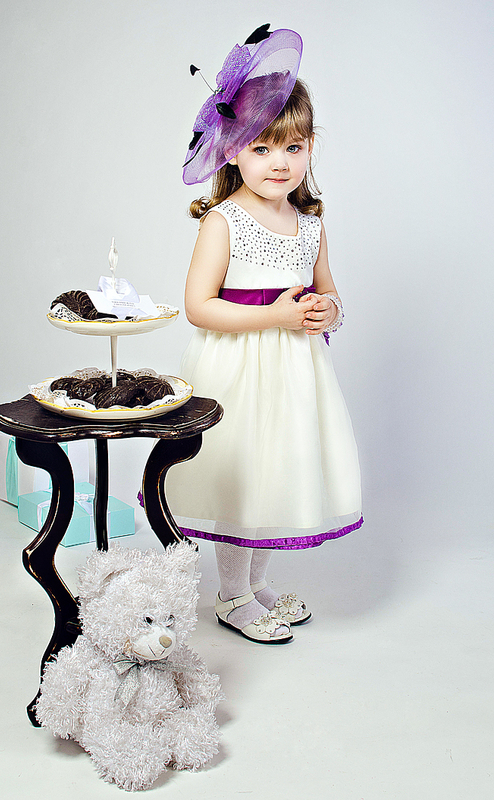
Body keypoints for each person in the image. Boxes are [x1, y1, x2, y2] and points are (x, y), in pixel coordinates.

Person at [166, 26, 363, 644]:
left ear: (310, 149)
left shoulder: (310, 224)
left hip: (294, 371)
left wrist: (327, 313)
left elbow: (330, 292)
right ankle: (232, 594)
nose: (280, 162)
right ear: (231, 152)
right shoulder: (224, 221)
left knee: (277, 471)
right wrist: (274, 317)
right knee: (243, 476)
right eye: (262, 147)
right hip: (238, 372)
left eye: (294, 147)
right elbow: (198, 307)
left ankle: (256, 585)